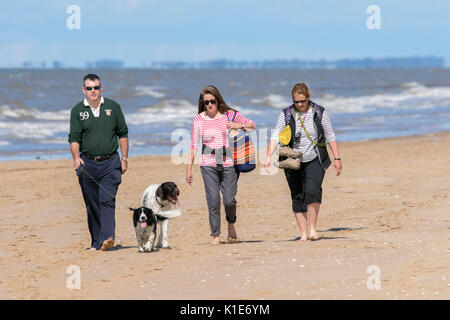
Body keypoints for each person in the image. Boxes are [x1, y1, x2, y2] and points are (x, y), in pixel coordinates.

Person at [264, 83, 342, 241]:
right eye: (296, 102)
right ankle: (303, 233)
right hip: (291, 158)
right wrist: (267, 156)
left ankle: (312, 229)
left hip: (315, 158)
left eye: (303, 101)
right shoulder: (286, 113)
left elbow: (330, 136)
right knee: (297, 195)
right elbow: (275, 135)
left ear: (308, 98)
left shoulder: (319, 112)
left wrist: (337, 157)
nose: (299, 105)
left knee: (312, 191)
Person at [186, 85, 256, 246]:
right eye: (206, 103)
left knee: (229, 200)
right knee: (213, 200)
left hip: (229, 163)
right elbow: (193, 145)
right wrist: (189, 168)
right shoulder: (198, 120)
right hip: (207, 164)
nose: (209, 105)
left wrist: (239, 126)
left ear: (218, 100)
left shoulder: (229, 115)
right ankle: (216, 235)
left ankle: (231, 225)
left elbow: (252, 125)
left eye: (212, 101)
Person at [68, 74, 129, 251]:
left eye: (96, 87)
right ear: (84, 90)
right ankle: (96, 243)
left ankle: (108, 237)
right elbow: (74, 138)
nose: (93, 91)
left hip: (111, 162)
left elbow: (123, 134)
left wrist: (124, 159)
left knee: (106, 199)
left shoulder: (113, 107)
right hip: (87, 163)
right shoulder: (77, 111)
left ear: (101, 88)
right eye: (89, 88)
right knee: (92, 203)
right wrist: (75, 157)